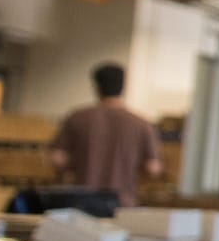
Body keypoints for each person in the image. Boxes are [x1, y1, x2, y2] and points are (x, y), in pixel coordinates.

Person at [49, 63, 162, 207]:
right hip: (122, 203)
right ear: (124, 87)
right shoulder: (142, 123)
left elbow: (57, 157)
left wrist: (77, 163)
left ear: (96, 86)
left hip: (83, 201)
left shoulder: (77, 118)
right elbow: (153, 168)